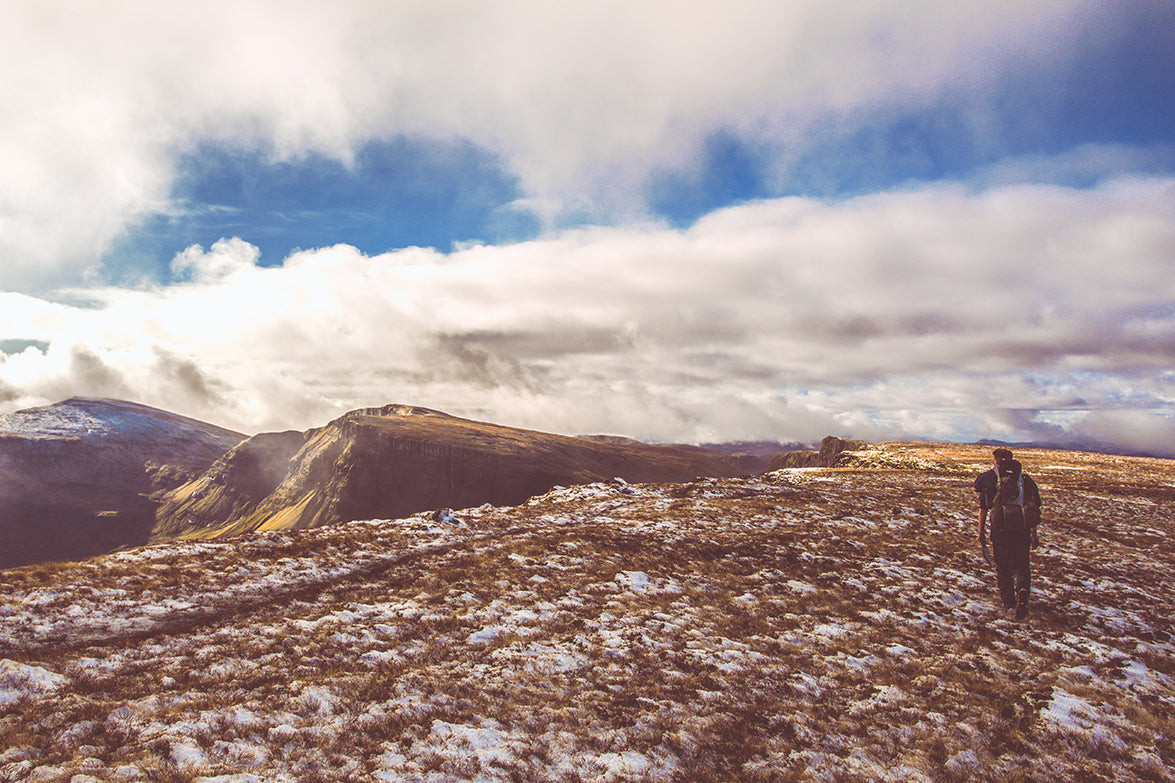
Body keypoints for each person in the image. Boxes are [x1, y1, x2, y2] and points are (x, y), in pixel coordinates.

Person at [974, 448, 1042, 620]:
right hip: (1022, 529)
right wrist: (1034, 534)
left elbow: (983, 508)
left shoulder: (990, 479)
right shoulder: (1024, 480)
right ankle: (1023, 594)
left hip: (1000, 530)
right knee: (1022, 565)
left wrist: (980, 532)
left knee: (1002, 566)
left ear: (995, 460)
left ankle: (1009, 601)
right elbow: (1033, 506)